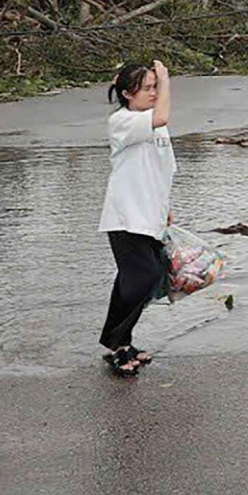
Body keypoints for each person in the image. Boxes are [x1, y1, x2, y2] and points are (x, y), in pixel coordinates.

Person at [98, 58, 173, 378]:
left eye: (156, 87)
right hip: (125, 217)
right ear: (128, 93)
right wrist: (167, 79)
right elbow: (162, 115)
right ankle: (117, 346)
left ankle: (120, 341)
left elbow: (161, 169)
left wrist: (165, 206)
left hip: (149, 216)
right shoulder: (123, 120)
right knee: (142, 279)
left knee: (141, 280)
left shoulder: (154, 123)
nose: (154, 93)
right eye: (148, 88)